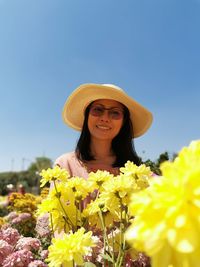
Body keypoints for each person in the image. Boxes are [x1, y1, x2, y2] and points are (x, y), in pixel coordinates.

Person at [55, 83, 153, 177]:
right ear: (87, 116)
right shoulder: (64, 165)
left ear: (123, 122)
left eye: (115, 112)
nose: (105, 118)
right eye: (98, 110)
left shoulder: (137, 172)